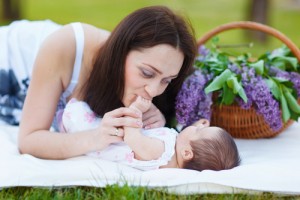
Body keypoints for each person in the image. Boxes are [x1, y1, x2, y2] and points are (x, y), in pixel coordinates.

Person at [1, 6, 197, 159]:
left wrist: (155, 123)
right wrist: (96, 137)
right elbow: (29, 140)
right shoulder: (67, 46)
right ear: (121, 51)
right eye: (146, 73)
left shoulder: (145, 83)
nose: (154, 91)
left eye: (166, 80)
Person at [61, 96, 241, 171]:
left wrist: (136, 109)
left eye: (200, 131)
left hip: (92, 134)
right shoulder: (174, 149)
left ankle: (59, 115)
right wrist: (196, 127)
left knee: (76, 110)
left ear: (187, 153)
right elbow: (187, 137)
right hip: (105, 132)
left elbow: (132, 138)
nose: (199, 126)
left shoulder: (162, 152)